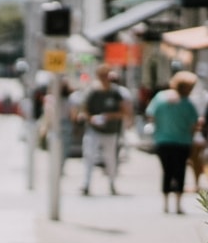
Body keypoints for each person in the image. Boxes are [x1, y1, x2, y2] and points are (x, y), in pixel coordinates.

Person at [144, 71, 200, 215]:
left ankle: (166, 203)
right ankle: (178, 204)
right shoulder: (187, 103)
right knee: (180, 171)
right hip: (182, 141)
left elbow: (150, 115)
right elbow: (194, 124)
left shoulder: (160, 98)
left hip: (163, 140)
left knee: (167, 171)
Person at [75, 64, 133, 195]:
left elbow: (125, 111)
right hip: (94, 130)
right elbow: (83, 110)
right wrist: (92, 119)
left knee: (110, 158)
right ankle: (86, 184)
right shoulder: (92, 91)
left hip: (111, 131)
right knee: (89, 156)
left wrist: (109, 116)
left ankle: (112, 184)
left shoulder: (116, 92)